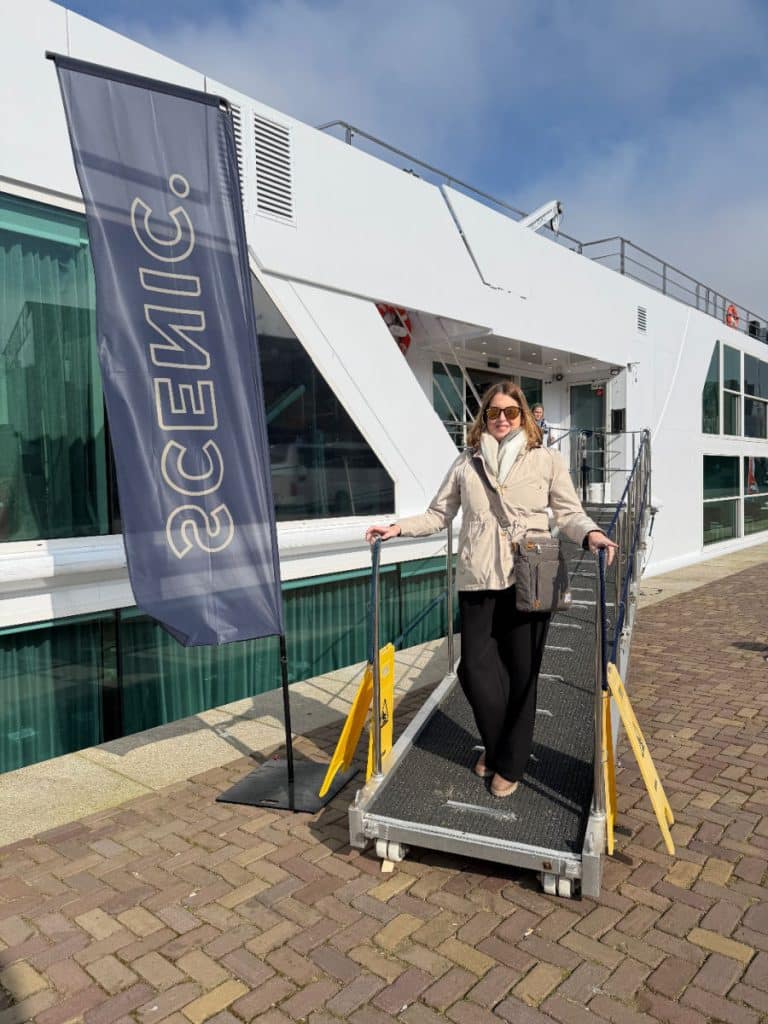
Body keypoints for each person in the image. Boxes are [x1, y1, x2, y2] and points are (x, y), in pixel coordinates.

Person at [365, 381, 617, 798]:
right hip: (479, 576)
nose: (502, 419)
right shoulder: (468, 462)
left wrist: (591, 534)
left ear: (524, 417)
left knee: (523, 674)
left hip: (534, 569)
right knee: (474, 669)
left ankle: (509, 764)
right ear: (483, 417)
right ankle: (501, 748)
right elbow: (438, 514)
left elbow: (568, 512)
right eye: (493, 412)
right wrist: (396, 528)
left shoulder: (546, 460)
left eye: (510, 412)